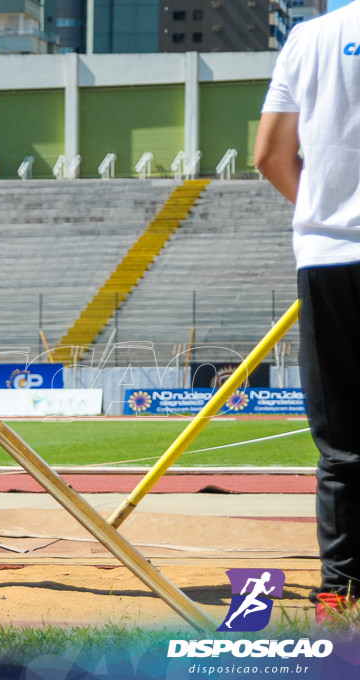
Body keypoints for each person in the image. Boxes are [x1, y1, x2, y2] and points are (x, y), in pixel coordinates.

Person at [255, 2, 360, 622]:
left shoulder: (310, 36)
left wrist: (323, 214)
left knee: (342, 441)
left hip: (326, 256)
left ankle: (338, 592)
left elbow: (270, 152)